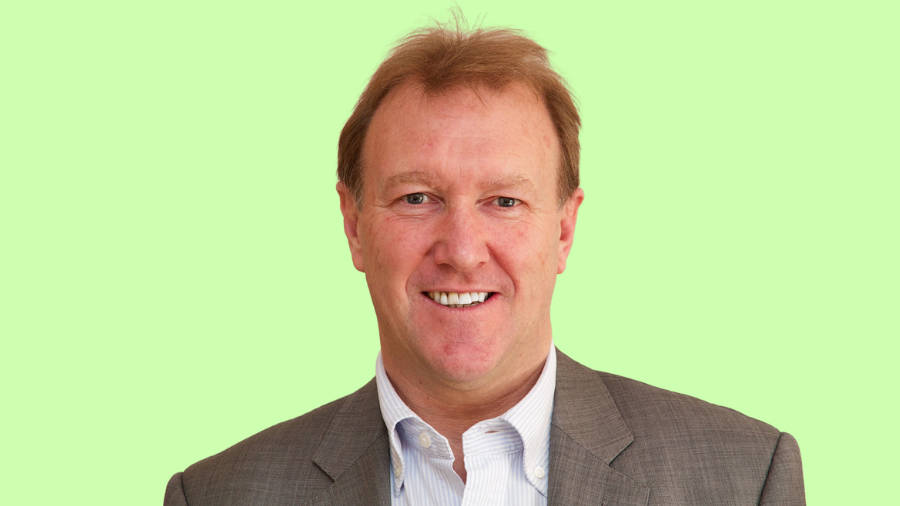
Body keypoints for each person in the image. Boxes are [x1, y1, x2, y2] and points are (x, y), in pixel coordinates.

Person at [164, 20, 805, 506]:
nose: (464, 250)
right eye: (418, 198)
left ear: (564, 228)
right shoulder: (219, 495)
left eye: (504, 200)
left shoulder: (743, 480)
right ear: (354, 226)